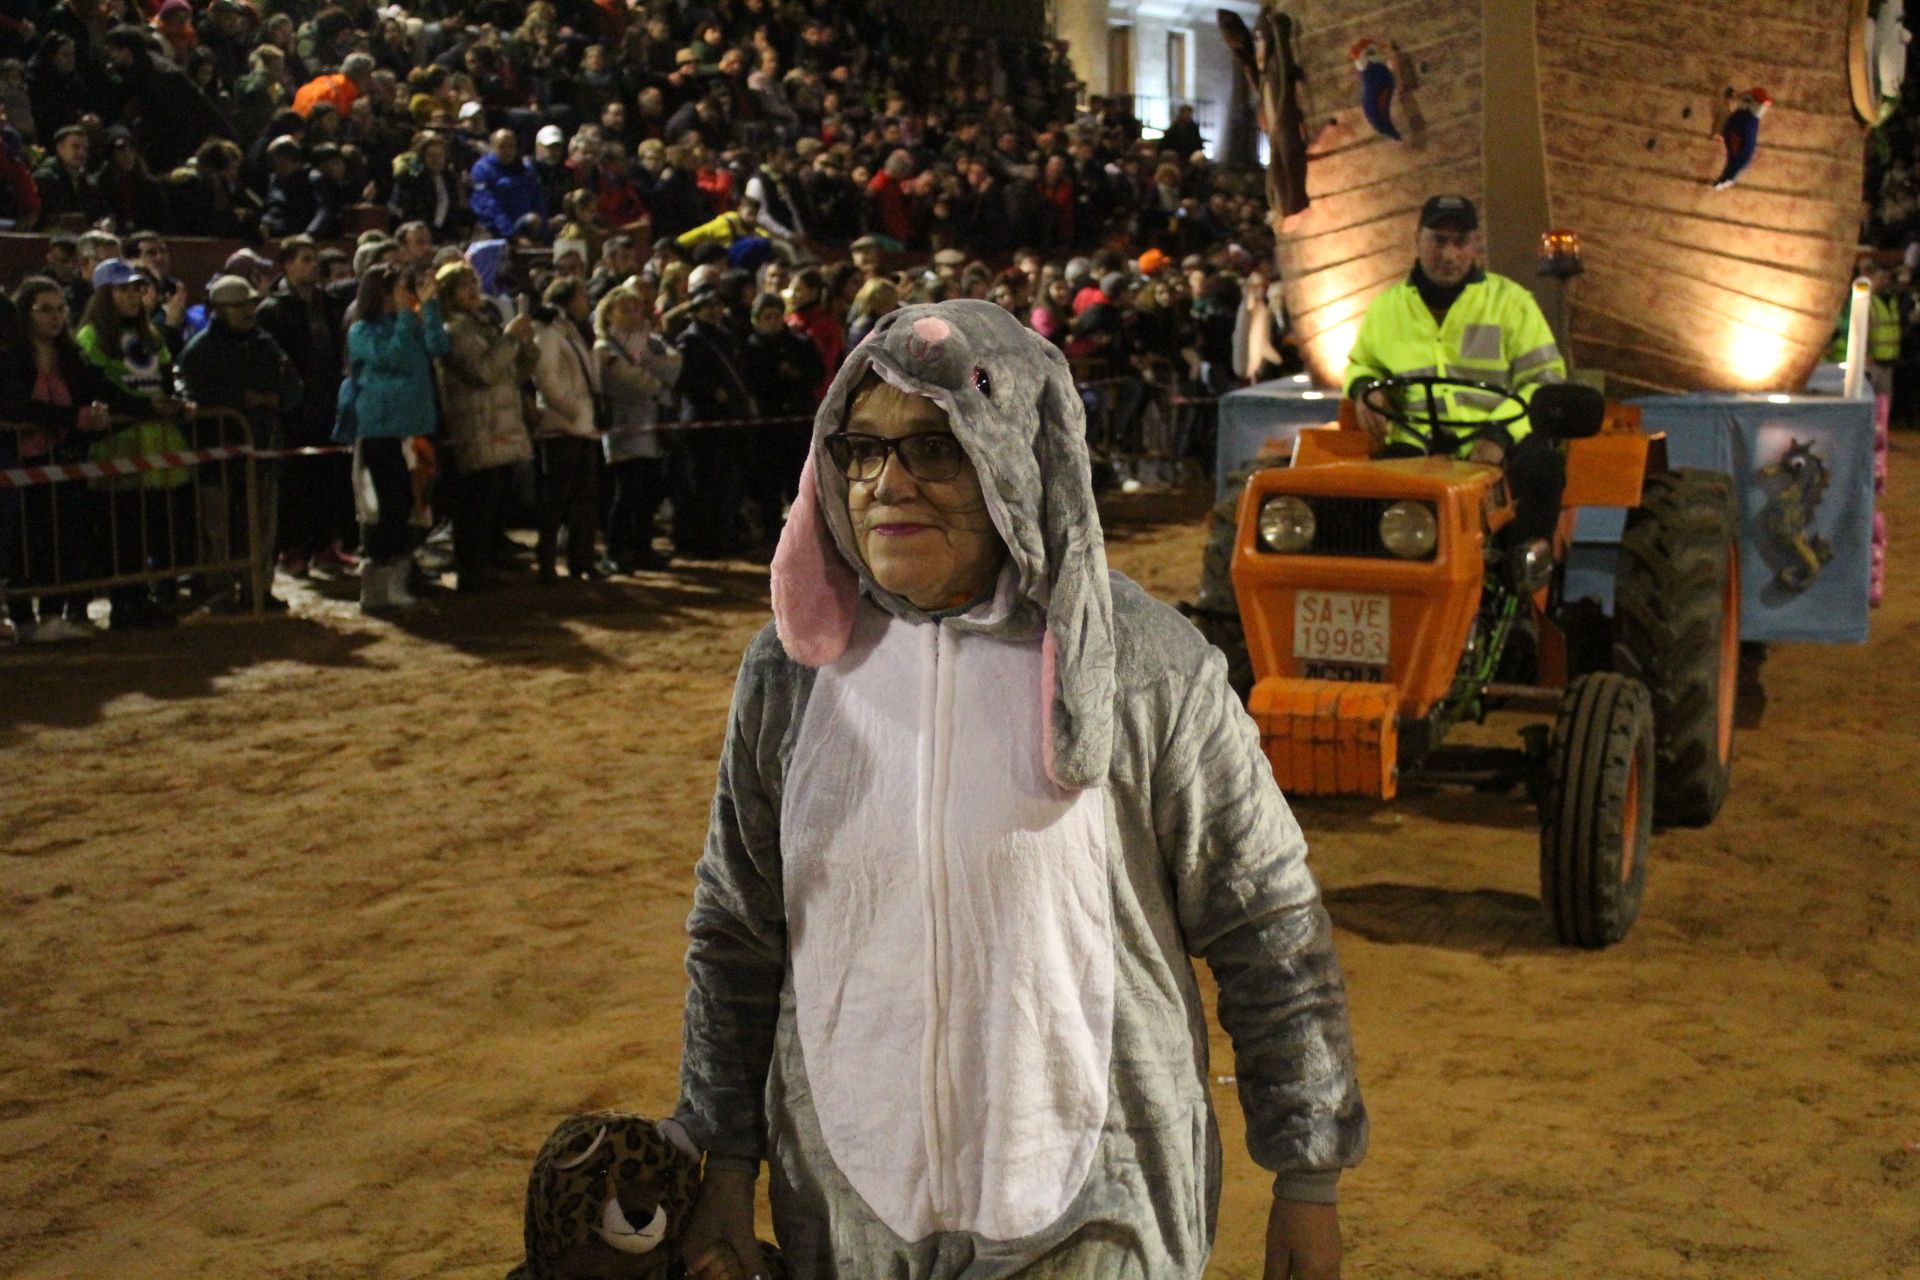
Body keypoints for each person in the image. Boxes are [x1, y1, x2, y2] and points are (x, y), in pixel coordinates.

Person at [676, 299, 1365, 1280]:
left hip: (1097, 1211)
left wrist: (1308, 1176)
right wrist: (724, 1163)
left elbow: (1267, 927)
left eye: (934, 448)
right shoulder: (793, 674)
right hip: (848, 1215)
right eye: (861, 450)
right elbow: (739, 930)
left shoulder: (1146, 669)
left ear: (1015, 451)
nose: (886, 483)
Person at [1343, 194, 1568, 564]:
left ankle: (1520, 592)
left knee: (1544, 470)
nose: (1449, 255)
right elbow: (1361, 364)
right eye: (1438, 241)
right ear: (1417, 239)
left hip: (1498, 448)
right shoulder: (1386, 308)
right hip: (1413, 449)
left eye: (1460, 242)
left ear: (1475, 244)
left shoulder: (1511, 303)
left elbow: (1543, 382)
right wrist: (1364, 388)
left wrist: (1498, 435)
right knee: (1360, 503)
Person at [2, 276, 139, 641]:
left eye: (61, 309)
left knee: (60, 541)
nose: (55, 317)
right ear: (25, 313)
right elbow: (16, 407)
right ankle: (22, 619)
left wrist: (149, 406)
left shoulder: (70, 355)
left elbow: (100, 388)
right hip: (21, 467)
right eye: (44, 309)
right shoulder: (11, 357)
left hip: (63, 461)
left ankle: (51, 615)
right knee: (22, 544)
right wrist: (74, 417)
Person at [74, 258, 194, 630]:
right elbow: (94, 386)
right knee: (122, 529)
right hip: (120, 444)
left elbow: (164, 375)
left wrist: (176, 401)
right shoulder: (91, 336)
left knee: (154, 526)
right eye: (122, 290)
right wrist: (144, 407)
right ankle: (125, 603)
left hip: (156, 444)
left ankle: (146, 598)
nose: (131, 296)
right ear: (103, 295)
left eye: (135, 289)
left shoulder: (151, 335)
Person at [174, 274, 303, 611]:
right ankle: (220, 592)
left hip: (260, 450)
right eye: (239, 305)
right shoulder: (200, 351)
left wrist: (272, 399)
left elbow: (292, 387)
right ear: (218, 309)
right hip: (218, 455)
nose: (248, 310)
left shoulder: (265, 343)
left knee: (262, 526)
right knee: (219, 530)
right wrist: (245, 401)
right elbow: (198, 397)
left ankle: (257, 590)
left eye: (250, 303)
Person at [340, 261, 448, 612]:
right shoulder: (362, 331)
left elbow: (438, 346)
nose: (410, 295)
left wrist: (429, 307)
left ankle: (397, 587)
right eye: (403, 288)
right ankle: (376, 590)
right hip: (382, 432)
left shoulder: (411, 321)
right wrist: (406, 316)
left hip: (415, 428)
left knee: (413, 509)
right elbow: (396, 357)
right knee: (389, 509)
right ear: (383, 293)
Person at [434, 260, 536, 593]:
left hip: (496, 424)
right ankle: (472, 573)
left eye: (474, 284)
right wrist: (508, 340)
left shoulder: (482, 325)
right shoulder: (452, 330)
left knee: (490, 504)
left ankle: (485, 566)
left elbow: (511, 374)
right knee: (474, 506)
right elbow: (483, 372)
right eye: (464, 286)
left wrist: (525, 346)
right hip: (474, 427)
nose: (473, 291)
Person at [593, 280, 681, 573]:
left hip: (653, 429)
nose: (634, 314)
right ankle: (615, 551)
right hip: (625, 429)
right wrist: (658, 385)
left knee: (649, 493)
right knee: (626, 494)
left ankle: (642, 548)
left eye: (636, 308)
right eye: (625, 310)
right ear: (608, 316)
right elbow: (625, 381)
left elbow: (676, 364)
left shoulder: (649, 341)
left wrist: (647, 365)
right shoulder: (605, 346)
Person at [530, 275, 604, 582]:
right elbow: (545, 378)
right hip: (563, 426)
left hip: (581, 425)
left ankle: (581, 560)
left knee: (584, 498)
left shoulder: (571, 329)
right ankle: (547, 563)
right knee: (556, 500)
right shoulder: (549, 329)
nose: (587, 302)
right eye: (582, 296)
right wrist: (572, 410)